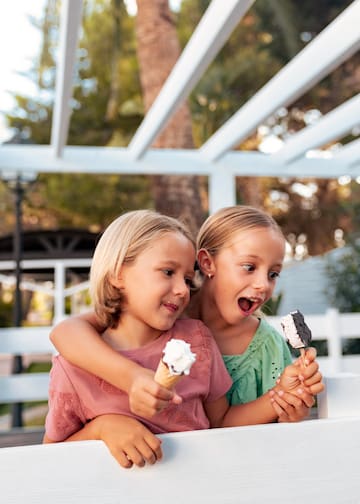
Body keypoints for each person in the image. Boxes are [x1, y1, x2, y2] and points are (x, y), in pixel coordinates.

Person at [47, 207, 324, 467]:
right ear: (207, 263)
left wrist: (286, 400)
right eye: (249, 267)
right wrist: (104, 425)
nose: (264, 284)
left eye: (274, 274)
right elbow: (66, 333)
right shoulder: (152, 317)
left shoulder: (199, 339)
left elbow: (223, 424)